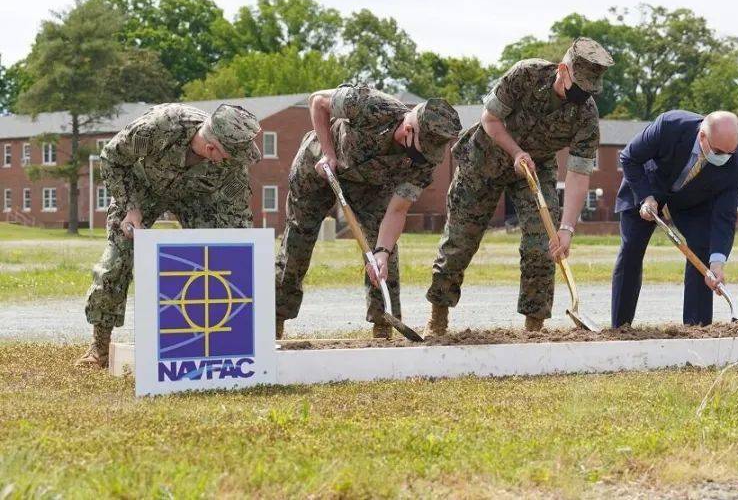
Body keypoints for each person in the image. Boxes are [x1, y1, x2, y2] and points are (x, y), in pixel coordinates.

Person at [425, 37, 614, 335]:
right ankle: (438, 316)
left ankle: (534, 327)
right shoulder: (525, 75)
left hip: (534, 170)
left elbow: (579, 173)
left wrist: (566, 229)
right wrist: (515, 152)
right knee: (459, 242)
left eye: (589, 91)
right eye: (579, 87)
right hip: (484, 160)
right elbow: (490, 119)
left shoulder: (586, 114)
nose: (582, 95)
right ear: (562, 70)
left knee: (544, 245)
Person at [77, 103, 262, 369]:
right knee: (116, 259)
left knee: (219, 260)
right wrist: (131, 208)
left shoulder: (233, 167)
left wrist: (238, 260)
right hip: (141, 191)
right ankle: (99, 347)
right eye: (227, 156)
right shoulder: (160, 126)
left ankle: (216, 340)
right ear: (211, 148)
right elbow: (112, 158)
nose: (231, 162)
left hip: (197, 198)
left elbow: (238, 219)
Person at [275, 85, 461, 339]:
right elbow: (317, 101)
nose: (424, 158)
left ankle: (383, 326)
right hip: (319, 169)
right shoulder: (371, 105)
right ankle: (274, 320)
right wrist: (328, 153)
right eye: (421, 150)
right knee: (297, 243)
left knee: (384, 255)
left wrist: (382, 252)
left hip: (369, 187)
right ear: (408, 130)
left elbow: (397, 211)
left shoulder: (425, 163)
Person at [611, 111, 738, 327]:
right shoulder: (670, 126)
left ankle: (697, 329)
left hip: (692, 202)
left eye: (729, 152)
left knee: (702, 251)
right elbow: (629, 158)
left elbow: (725, 216)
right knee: (631, 250)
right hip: (647, 185)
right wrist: (646, 198)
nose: (724, 157)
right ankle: (620, 326)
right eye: (718, 151)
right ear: (702, 136)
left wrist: (717, 263)